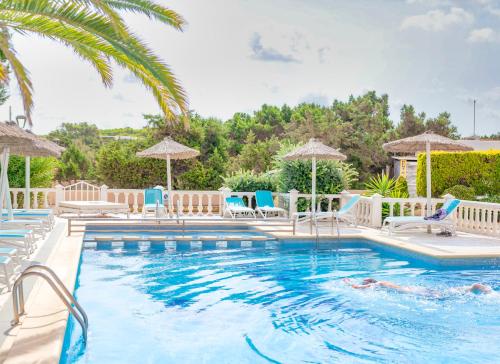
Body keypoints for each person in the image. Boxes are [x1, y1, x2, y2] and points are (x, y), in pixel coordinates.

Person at [343, 278, 493, 296]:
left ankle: (474, 287)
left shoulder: (382, 284)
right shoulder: (387, 283)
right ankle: (474, 287)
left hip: (417, 293)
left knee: (443, 296)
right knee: (445, 293)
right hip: (417, 289)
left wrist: (351, 284)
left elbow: (359, 288)